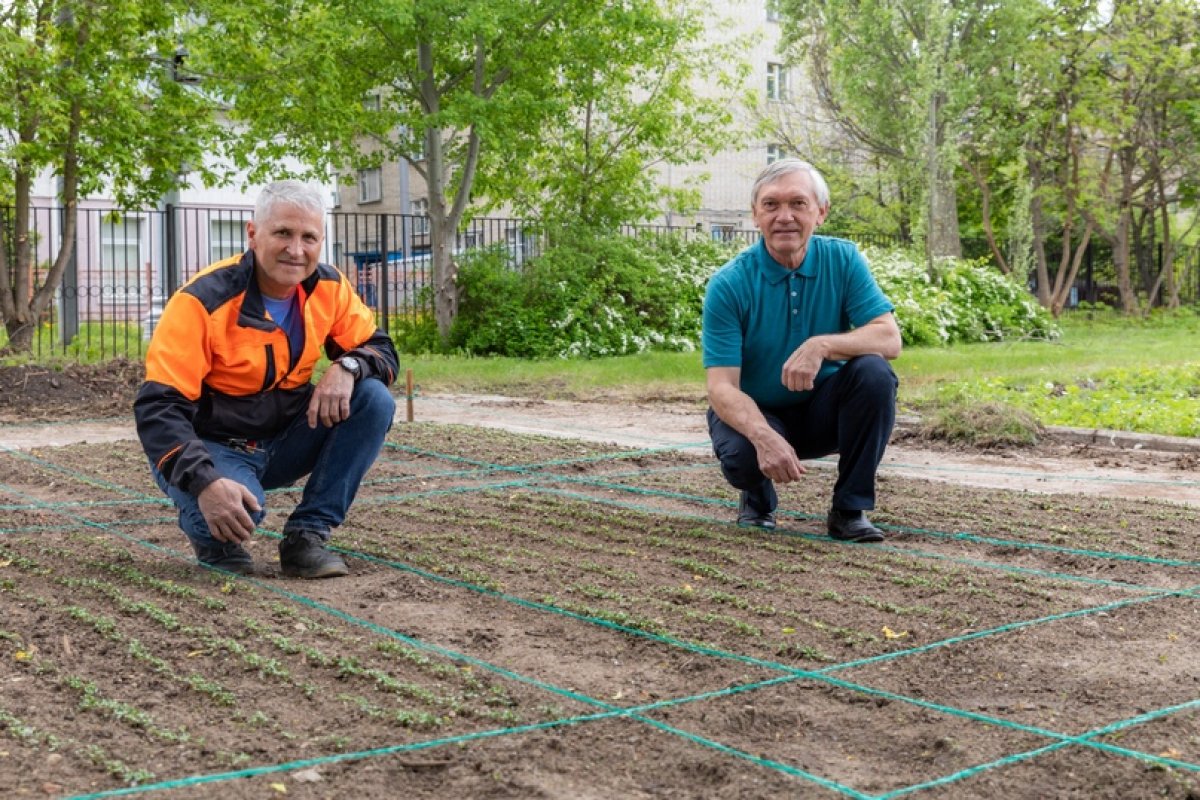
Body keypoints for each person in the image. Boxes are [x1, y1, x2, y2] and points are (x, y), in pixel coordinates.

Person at [134, 180, 398, 578]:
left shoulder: (329, 288)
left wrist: (348, 367)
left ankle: (307, 536)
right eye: (283, 233)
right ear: (253, 234)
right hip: (214, 445)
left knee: (373, 399)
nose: (297, 250)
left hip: (286, 438)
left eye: (309, 237)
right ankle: (212, 538)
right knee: (237, 517)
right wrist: (204, 481)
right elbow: (159, 407)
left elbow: (380, 349)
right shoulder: (203, 301)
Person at [702, 158, 901, 543]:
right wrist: (762, 436)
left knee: (874, 373)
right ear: (755, 215)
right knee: (743, 458)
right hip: (757, 412)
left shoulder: (843, 260)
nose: (785, 217)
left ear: (821, 212)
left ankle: (849, 510)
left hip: (822, 410)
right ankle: (756, 497)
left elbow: (889, 339)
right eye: (771, 205)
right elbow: (721, 387)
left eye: (798, 203)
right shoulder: (729, 284)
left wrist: (822, 345)